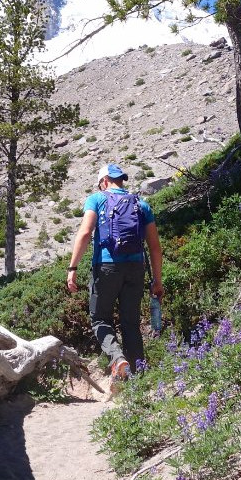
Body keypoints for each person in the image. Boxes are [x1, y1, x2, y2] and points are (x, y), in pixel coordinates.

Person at [66, 163, 164, 383]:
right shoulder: (141, 204)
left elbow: (84, 233)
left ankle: (118, 359)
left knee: (100, 319)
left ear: (103, 182)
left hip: (106, 267)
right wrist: (157, 281)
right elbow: (155, 248)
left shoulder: (97, 199)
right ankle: (139, 376)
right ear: (121, 180)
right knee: (131, 322)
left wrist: (72, 268)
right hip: (136, 268)